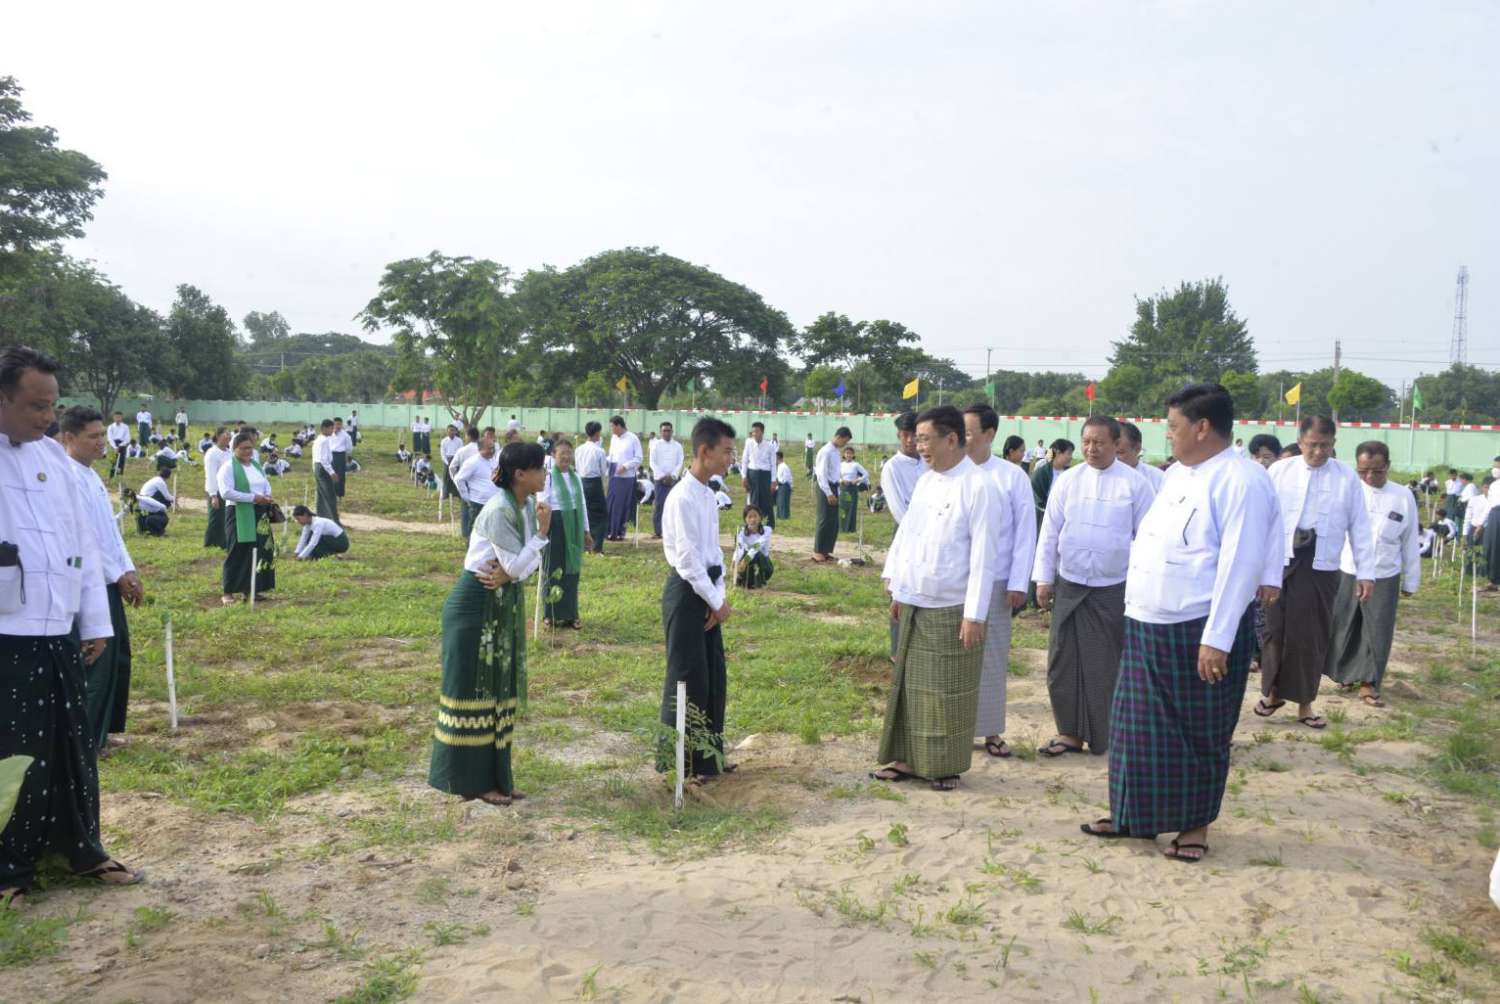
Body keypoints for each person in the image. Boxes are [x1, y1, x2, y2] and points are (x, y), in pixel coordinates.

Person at [1082, 382, 1280, 863]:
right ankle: (1132, 815)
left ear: (1202, 427)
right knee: (1135, 728)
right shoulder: (1176, 475)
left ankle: (1194, 828)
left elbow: (1240, 564)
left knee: (1198, 732)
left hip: (1199, 627)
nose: (1167, 434)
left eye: (1173, 426)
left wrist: (1218, 638)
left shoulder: (1241, 480)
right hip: (1148, 620)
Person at [1, 348, 144, 905]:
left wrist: (94, 622)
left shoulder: (53, 461)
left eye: (52, 406)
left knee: (72, 747)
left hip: (57, 627)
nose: (47, 418)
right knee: (13, 753)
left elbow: (81, 542)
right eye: (36, 406)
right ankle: (10, 869)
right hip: (7, 634)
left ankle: (80, 848)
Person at [872, 406, 998, 792]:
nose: (919, 446)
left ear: (952, 439)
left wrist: (974, 614)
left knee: (947, 691)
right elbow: (907, 535)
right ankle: (908, 759)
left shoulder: (978, 486)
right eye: (917, 439)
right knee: (911, 688)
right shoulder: (926, 481)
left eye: (926, 439)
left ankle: (944, 767)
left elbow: (984, 556)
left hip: (952, 607)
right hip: (915, 600)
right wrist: (897, 585)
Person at [429, 442, 552, 807]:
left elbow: (521, 569)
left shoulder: (524, 506)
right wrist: (541, 536)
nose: (544, 474)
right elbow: (517, 565)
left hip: (497, 603)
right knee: (473, 694)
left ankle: (498, 778)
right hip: (474, 608)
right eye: (539, 468)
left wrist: (513, 572)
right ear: (520, 474)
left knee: (497, 691)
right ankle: (472, 783)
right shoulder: (499, 509)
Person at [1032, 416, 1155, 756]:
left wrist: (1141, 588)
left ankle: (1105, 736)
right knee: (1061, 660)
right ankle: (1068, 733)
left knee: (1104, 663)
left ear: (1116, 444)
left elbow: (1148, 541)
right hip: (1069, 583)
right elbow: (1050, 532)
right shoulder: (1068, 481)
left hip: (1113, 587)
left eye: (1099, 442)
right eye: (1086, 442)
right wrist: (1044, 579)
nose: (1091, 449)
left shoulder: (1136, 485)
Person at [1259, 417, 1375, 729]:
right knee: (1274, 630)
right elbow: (1261, 517)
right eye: (1312, 445)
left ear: (1334, 444)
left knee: (1309, 635)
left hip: (1321, 564)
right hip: (1279, 561)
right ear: (1300, 441)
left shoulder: (1346, 477)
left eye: (1325, 445)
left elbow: (1360, 527)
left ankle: (1305, 704)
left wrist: (1366, 572)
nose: (1318, 452)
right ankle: (1272, 694)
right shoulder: (1280, 471)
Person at [60, 406, 144, 756]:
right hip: (89, 582)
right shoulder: (68, 477)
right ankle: (87, 740)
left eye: (101, 435)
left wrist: (129, 569)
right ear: (69, 438)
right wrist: (117, 575)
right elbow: (88, 539)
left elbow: (110, 532)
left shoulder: (92, 475)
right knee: (96, 661)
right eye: (93, 436)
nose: (101, 442)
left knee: (117, 656)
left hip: (111, 577)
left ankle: (103, 730)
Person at [659, 417, 737, 781]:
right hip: (687, 593)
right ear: (704, 451)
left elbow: (714, 554)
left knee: (712, 676)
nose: (731, 458)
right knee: (687, 677)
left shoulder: (708, 493)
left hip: (707, 591)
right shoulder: (682, 497)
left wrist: (718, 597)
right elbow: (688, 561)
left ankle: (708, 758)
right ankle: (681, 762)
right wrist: (715, 602)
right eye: (727, 451)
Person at [962, 403, 1036, 760]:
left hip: (996, 580)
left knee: (991, 655)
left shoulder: (1012, 477)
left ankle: (990, 730)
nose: (961, 438)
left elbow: (1025, 533)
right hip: (955, 581)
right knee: (955, 656)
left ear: (989, 435)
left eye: (968, 432)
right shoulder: (951, 474)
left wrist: (1019, 582)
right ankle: (957, 729)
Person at [1324, 442, 1419, 706]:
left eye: (1376, 471)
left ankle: (1370, 682)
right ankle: (1345, 674)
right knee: (1344, 623)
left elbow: (1410, 540)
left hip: (1384, 572)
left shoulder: (1403, 496)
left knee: (1377, 629)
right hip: (1347, 569)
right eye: (1363, 471)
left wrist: (1411, 579)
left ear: (1387, 466)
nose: (1369, 477)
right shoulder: (1348, 490)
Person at [217, 431, 277, 606]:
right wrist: (253, 498)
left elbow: (265, 483)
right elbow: (226, 492)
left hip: (259, 512)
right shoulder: (228, 467)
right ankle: (228, 591)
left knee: (261, 550)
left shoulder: (256, 466)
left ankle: (252, 589)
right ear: (234, 449)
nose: (247, 451)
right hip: (239, 513)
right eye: (243, 448)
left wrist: (267, 495)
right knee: (238, 551)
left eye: (249, 448)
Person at [542, 439, 591, 628]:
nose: (566, 456)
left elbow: (582, 505)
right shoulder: (548, 477)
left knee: (572, 569)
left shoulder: (575, 477)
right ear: (553, 455)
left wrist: (586, 530)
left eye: (569, 453)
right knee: (553, 569)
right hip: (555, 525)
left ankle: (571, 614)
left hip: (574, 526)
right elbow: (542, 504)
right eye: (562, 453)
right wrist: (543, 530)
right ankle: (551, 614)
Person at [812, 427, 853, 562]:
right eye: (844, 441)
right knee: (824, 519)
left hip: (835, 486)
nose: (844, 445)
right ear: (839, 437)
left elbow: (836, 473)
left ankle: (826, 550)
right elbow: (821, 474)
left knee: (833, 521)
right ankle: (818, 551)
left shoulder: (836, 452)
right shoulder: (825, 451)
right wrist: (828, 493)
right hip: (825, 487)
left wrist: (837, 491)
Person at [880, 413, 926, 526]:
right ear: (898, 436)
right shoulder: (892, 467)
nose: (910, 440)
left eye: (914, 435)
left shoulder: (928, 461)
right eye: (905, 435)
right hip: (907, 527)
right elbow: (898, 510)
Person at [574, 421, 609, 554]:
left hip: (581, 481)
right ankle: (596, 546)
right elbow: (603, 471)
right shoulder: (599, 451)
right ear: (597, 433)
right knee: (600, 514)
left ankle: (585, 545)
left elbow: (577, 467)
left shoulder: (578, 449)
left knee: (585, 513)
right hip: (594, 482)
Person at [605, 416, 643, 541]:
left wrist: (625, 466)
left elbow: (638, 458)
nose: (611, 429)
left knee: (621, 505)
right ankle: (609, 531)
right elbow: (611, 456)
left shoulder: (633, 438)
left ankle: (619, 532)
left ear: (619, 426)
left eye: (612, 426)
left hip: (626, 477)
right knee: (611, 503)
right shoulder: (613, 438)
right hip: (613, 475)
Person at [455, 435, 500, 537]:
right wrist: (466, 497)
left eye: (493, 448)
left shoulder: (493, 460)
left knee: (491, 532)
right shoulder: (472, 462)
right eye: (489, 448)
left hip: (493, 502)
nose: (492, 451)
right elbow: (459, 479)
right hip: (478, 503)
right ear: (480, 449)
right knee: (475, 532)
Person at [649, 422, 685, 539]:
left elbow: (680, 462)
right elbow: (652, 462)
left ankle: (673, 531)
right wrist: (662, 476)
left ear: (672, 431)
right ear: (660, 432)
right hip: (660, 480)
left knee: (674, 506)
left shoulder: (678, 446)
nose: (666, 433)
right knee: (659, 505)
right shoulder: (655, 445)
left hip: (673, 481)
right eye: (664, 431)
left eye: (668, 430)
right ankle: (658, 531)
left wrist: (673, 476)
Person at [1030, 439, 1074, 526]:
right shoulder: (1041, 474)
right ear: (1057, 452)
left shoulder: (1072, 474)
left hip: (1067, 521)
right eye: (1069, 453)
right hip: (1045, 521)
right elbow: (1038, 501)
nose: (1071, 457)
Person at [742, 422, 778, 528]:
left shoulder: (770, 446)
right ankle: (752, 524)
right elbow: (744, 460)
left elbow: (773, 465)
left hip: (765, 475)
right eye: (753, 432)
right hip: (752, 474)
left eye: (757, 431)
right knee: (753, 500)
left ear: (762, 432)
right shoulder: (749, 443)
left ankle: (767, 525)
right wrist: (744, 476)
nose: (754, 434)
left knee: (766, 500)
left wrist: (773, 480)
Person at [202, 427, 231, 549]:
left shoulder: (229, 453)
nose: (228, 436)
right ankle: (210, 542)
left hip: (227, 489)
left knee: (225, 517)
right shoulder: (212, 453)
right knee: (216, 518)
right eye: (226, 434)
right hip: (216, 490)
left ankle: (222, 541)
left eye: (229, 434)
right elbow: (211, 475)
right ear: (218, 436)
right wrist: (213, 495)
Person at [733, 505, 774, 588]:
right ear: (745, 519)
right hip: (747, 565)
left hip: (764, 565)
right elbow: (739, 548)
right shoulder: (741, 532)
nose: (753, 519)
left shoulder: (767, 530)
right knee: (744, 553)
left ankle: (760, 582)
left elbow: (758, 545)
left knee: (757, 554)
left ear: (760, 518)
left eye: (755, 516)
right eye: (749, 517)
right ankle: (743, 578)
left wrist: (746, 559)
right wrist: (734, 560)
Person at [1117, 422, 1165, 493]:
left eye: (1119, 453)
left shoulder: (1157, 478)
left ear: (1137, 449)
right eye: (1110, 452)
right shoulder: (1101, 477)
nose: (1113, 458)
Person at [312, 419, 341, 526]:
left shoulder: (318, 439)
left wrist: (315, 470)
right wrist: (332, 472)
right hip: (323, 468)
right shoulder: (323, 440)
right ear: (324, 428)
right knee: (330, 495)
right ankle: (333, 521)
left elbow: (315, 458)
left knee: (321, 495)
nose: (332, 431)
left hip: (318, 467)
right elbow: (323, 460)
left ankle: (321, 517)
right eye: (331, 428)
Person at [135, 463, 175, 536]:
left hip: (143, 499)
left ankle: (146, 528)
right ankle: (158, 523)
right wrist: (174, 499)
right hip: (147, 500)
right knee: (165, 498)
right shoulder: (160, 482)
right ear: (168, 476)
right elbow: (167, 497)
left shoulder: (155, 479)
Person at [838, 445, 870, 533]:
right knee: (843, 508)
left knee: (852, 508)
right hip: (843, 488)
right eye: (847, 453)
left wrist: (857, 480)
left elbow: (866, 474)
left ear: (853, 455)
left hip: (852, 488)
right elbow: (836, 476)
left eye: (850, 454)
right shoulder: (840, 465)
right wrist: (842, 480)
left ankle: (851, 528)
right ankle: (842, 528)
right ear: (844, 455)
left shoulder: (856, 465)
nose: (848, 455)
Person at [439, 424, 463, 501]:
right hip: (447, 460)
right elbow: (442, 453)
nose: (451, 432)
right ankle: (445, 494)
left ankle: (457, 494)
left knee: (457, 477)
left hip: (456, 459)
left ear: (455, 431)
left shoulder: (459, 440)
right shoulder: (444, 441)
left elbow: (460, 452)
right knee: (446, 478)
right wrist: (447, 462)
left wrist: (456, 462)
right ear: (447, 432)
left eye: (453, 430)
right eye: (450, 431)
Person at [331, 417, 352, 498]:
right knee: (331, 474)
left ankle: (339, 494)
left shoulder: (345, 435)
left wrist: (348, 457)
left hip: (340, 456)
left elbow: (349, 448)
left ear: (342, 425)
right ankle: (331, 493)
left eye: (339, 424)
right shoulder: (329, 434)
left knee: (340, 475)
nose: (338, 426)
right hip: (331, 455)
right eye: (336, 424)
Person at [106, 411, 130, 477]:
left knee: (121, 461)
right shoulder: (110, 427)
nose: (118, 419)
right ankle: (112, 476)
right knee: (113, 461)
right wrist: (115, 447)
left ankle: (119, 476)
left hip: (122, 444)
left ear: (122, 418)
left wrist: (120, 445)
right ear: (113, 418)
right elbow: (110, 438)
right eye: (116, 417)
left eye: (119, 417)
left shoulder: (125, 427)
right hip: (113, 444)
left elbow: (127, 438)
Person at [774, 451, 793, 520]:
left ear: (778, 458)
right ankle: (780, 517)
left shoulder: (784, 467)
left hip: (784, 486)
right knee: (779, 502)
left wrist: (777, 481)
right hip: (780, 486)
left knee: (783, 503)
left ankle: (784, 517)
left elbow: (785, 479)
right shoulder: (779, 467)